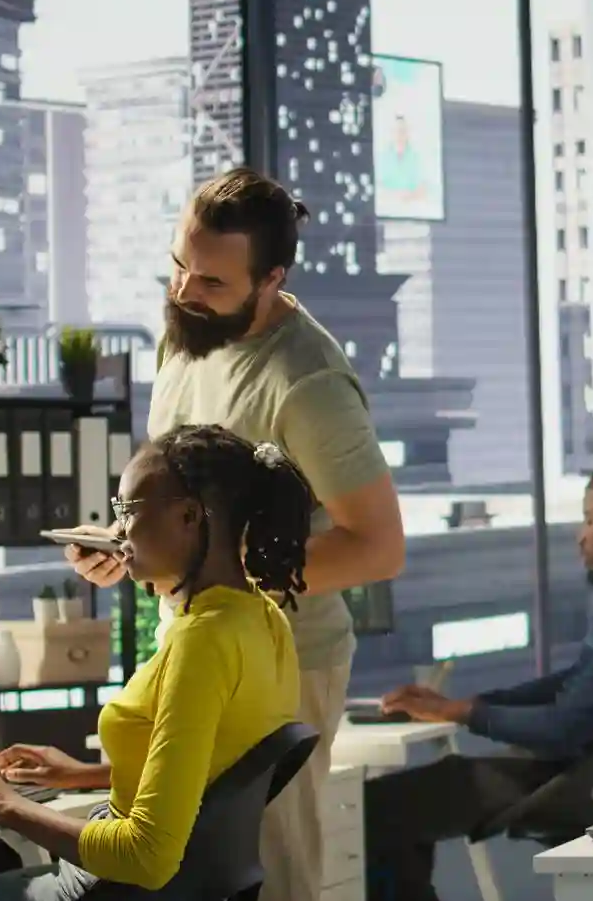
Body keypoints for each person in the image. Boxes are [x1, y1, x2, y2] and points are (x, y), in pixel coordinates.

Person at [66, 168, 405, 901]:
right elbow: (191, 510)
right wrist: (133, 548)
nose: (185, 291)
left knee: (270, 877)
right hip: (187, 650)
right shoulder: (185, 336)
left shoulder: (306, 382)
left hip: (280, 663)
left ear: (270, 277)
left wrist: (225, 576)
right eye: (178, 266)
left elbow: (378, 545)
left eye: (212, 281)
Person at [0, 426, 313, 900]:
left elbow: (145, 856)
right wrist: (80, 775)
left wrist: (6, 806)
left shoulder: (203, 641)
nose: (119, 530)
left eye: (128, 510)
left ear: (189, 516)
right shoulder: (263, 619)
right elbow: (213, 770)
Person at [359, 463, 593, 901]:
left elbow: (562, 729)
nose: (580, 536)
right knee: (400, 809)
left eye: (590, 519)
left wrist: (461, 712)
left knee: (376, 810)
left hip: (563, 778)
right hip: (576, 768)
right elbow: (574, 681)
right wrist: (466, 702)